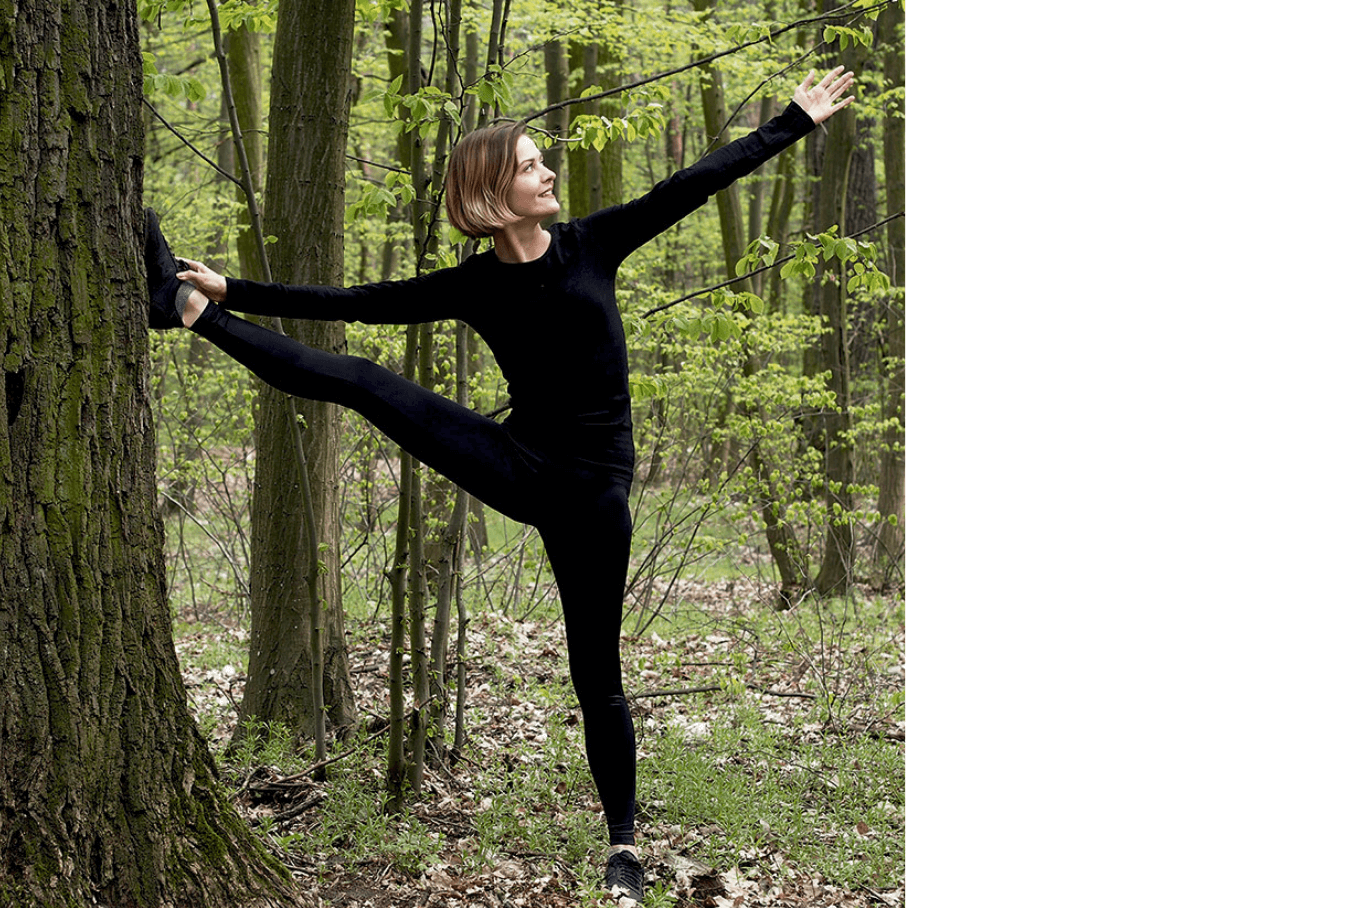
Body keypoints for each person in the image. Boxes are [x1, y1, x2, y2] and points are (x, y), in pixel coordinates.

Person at [144, 66, 856, 900]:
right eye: (529, 165)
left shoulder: (595, 243)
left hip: (596, 495)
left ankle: (624, 848)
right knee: (363, 379)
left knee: (598, 676)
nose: (548, 172)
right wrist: (235, 289)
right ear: (491, 192)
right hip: (520, 465)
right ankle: (190, 312)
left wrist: (793, 120)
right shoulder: (476, 285)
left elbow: (695, 182)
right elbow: (357, 301)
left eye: (541, 161)